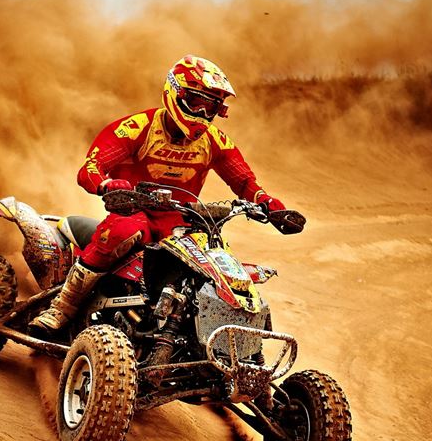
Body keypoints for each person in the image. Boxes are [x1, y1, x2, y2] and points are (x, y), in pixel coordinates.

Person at [30, 54, 286, 333]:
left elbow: (245, 182)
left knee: (216, 261)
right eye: (195, 102)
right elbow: (90, 168)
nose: (202, 113)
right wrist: (106, 184)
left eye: (210, 106)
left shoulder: (215, 140)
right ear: (175, 93)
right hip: (133, 211)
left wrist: (266, 202)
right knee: (122, 231)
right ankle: (61, 308)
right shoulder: (138, 127)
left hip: (182, 221)